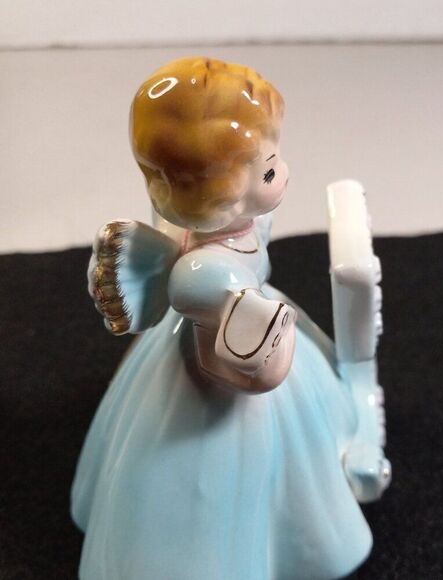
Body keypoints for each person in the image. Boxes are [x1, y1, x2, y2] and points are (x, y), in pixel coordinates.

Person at [72, 57, 372, 580]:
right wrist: (263, 333)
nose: (285, 172)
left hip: (236, 319)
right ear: (223, 200)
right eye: (270, 170)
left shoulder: (204, 223)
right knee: (228, 484)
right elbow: (264, 370)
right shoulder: (206, 274)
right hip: (223, 384)